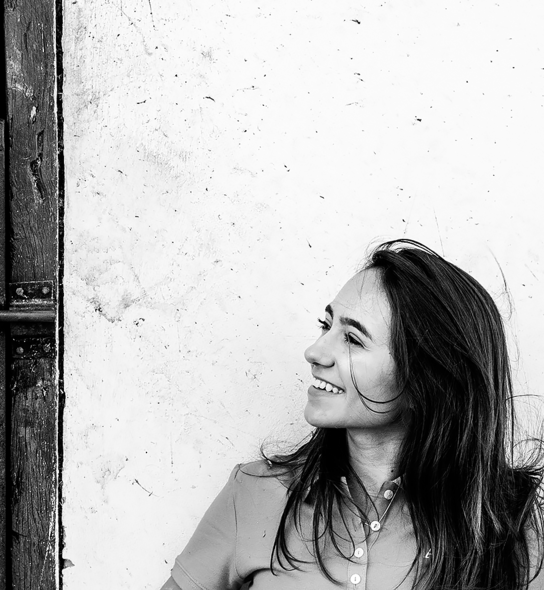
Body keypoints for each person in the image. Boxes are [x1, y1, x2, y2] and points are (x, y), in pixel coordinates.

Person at [163, 240, 543, 589]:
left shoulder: (512, 526)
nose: (315, 352)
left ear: (426, 380)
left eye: (352, 339)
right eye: (326, 325)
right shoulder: (254, 493)